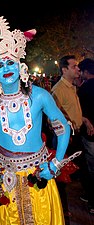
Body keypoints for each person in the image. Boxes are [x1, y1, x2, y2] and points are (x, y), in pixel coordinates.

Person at [0, 11, 71, 225]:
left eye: (9, 62)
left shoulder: (41, 96)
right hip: (5, 176)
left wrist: (56, 164)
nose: (6, 69)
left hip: (39, 173)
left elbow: (63, 128)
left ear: (20, 66)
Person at [51, 55, 83, 216]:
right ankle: (61, 209)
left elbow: (70, 111)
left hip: (76, 135)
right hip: (65, 138)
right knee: (61, 175)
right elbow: (53, 118)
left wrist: (85, 121)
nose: (78, 68)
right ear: (64, 70)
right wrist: (64, 135)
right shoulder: (58, 90)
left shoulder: (72, 86)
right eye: (74, 66)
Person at [78, 58, 94, 214]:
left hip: (90, 133)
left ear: (86, 72)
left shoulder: (83, 89)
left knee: (92, 168)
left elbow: (79, 112)